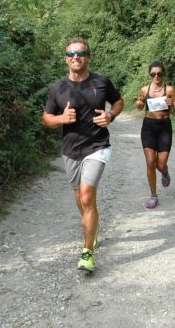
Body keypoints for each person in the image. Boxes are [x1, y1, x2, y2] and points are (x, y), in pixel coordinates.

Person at [42, 37, 124, 272]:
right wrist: (60, 119)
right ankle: (92, 230)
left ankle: (87, 252)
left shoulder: (101, 82)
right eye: (71, 54)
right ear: (66, 59)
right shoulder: (58, 88)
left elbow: (118, 102)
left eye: (80, 53)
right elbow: (46, 119)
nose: (75, 57)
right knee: (80, 198)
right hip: (70, 151)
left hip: (97, 146)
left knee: (87, 197)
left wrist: (110, 116)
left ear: (88, 57)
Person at [135, 61, 175, 209]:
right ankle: (153, 196)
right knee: (150, 162)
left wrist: (173, 103)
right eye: (153, 74)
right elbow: (139, 105)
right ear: (150, 74)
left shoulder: (169, 90)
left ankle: (165, 171)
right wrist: (139, 103)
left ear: (163, 74)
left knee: (160, 164)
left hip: (164, 127)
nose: (156, 77)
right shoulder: (145, 89)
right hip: (148, 127)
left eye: (159, 74)